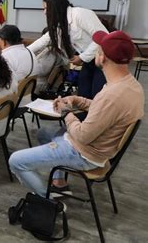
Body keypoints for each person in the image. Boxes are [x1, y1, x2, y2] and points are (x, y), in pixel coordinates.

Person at [9, 30, 144, 198]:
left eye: (98, 49)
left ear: (102, 57)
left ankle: (49, 201)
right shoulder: (131, 86)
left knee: (16, 161)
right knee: (44, 133)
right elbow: (102, 109)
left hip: (84, 153)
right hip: (96, 147)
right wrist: (77, 100)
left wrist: (66, 113)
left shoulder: (112, 95)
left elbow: (82, 135)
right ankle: (59, 183)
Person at [28, 0, 108, 99]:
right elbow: (44, 40)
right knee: (84, 93)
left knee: (97, 95)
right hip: (89, 60)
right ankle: (86, 115)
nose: (45, 12)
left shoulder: (80, 14)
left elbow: (103, 37)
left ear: (56, 7)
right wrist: (24, 52)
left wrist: (82, 57)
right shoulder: (61, 22)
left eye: (46, 8)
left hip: (105, 60)